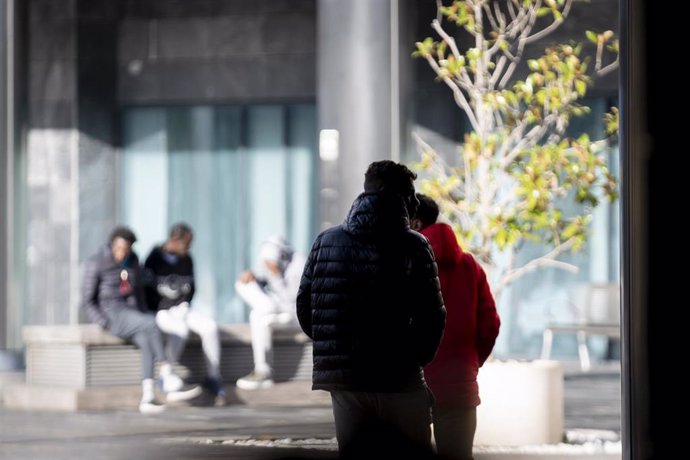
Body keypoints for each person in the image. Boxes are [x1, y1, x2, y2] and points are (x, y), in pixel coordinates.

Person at [296, 160, 446, 458]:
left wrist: (337, 347)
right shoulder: (415, 246)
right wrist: (416, 358)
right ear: (400, 196)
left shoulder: (326, 241)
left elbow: (305, 306)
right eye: (411, 193)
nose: (416, 201)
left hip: (347, 381)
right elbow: (434, 315)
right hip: (400, 377)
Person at [411, 194, 501, 460]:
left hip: (409, 385)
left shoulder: (403, 263)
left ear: (415, 223)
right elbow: (490, 325)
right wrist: (470, 362)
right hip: (458, 385)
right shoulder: (470, 267)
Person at [81, 226, 200, 414]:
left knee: (146, 341)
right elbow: (87, 300)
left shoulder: (133, 261)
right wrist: (104, 322)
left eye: (127, 248)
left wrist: (143, 311)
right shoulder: (97, 263)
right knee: (151, 323)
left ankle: (148, 397)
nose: (123, 252)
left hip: (132, 314)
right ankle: (166, 372)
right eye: (120, 248)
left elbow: (138, 293)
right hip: (112, 314)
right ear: (112, 245)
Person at [144, 222, 226, 406]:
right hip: (161, 311)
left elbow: (191, 288)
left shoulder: (187, 259)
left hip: (182, 308)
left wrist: (184, 304)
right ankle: (166, 375)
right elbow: (146, 291)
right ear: (174, 240)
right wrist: (164, 307)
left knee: (210, 327)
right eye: (185, 243)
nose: (188, 247)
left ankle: (213, 377)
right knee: (180, 330)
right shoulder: (154, 258)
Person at [234, 235, 306, 390]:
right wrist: (252, 276)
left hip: (295, 315)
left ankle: (263, 372)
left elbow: (293, 300)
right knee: (242, 285)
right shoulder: (273, 260)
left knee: (259, 318)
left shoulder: (299, 265)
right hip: (277, 307)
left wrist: (276, 276)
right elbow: (263, 275)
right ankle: (262, 371)